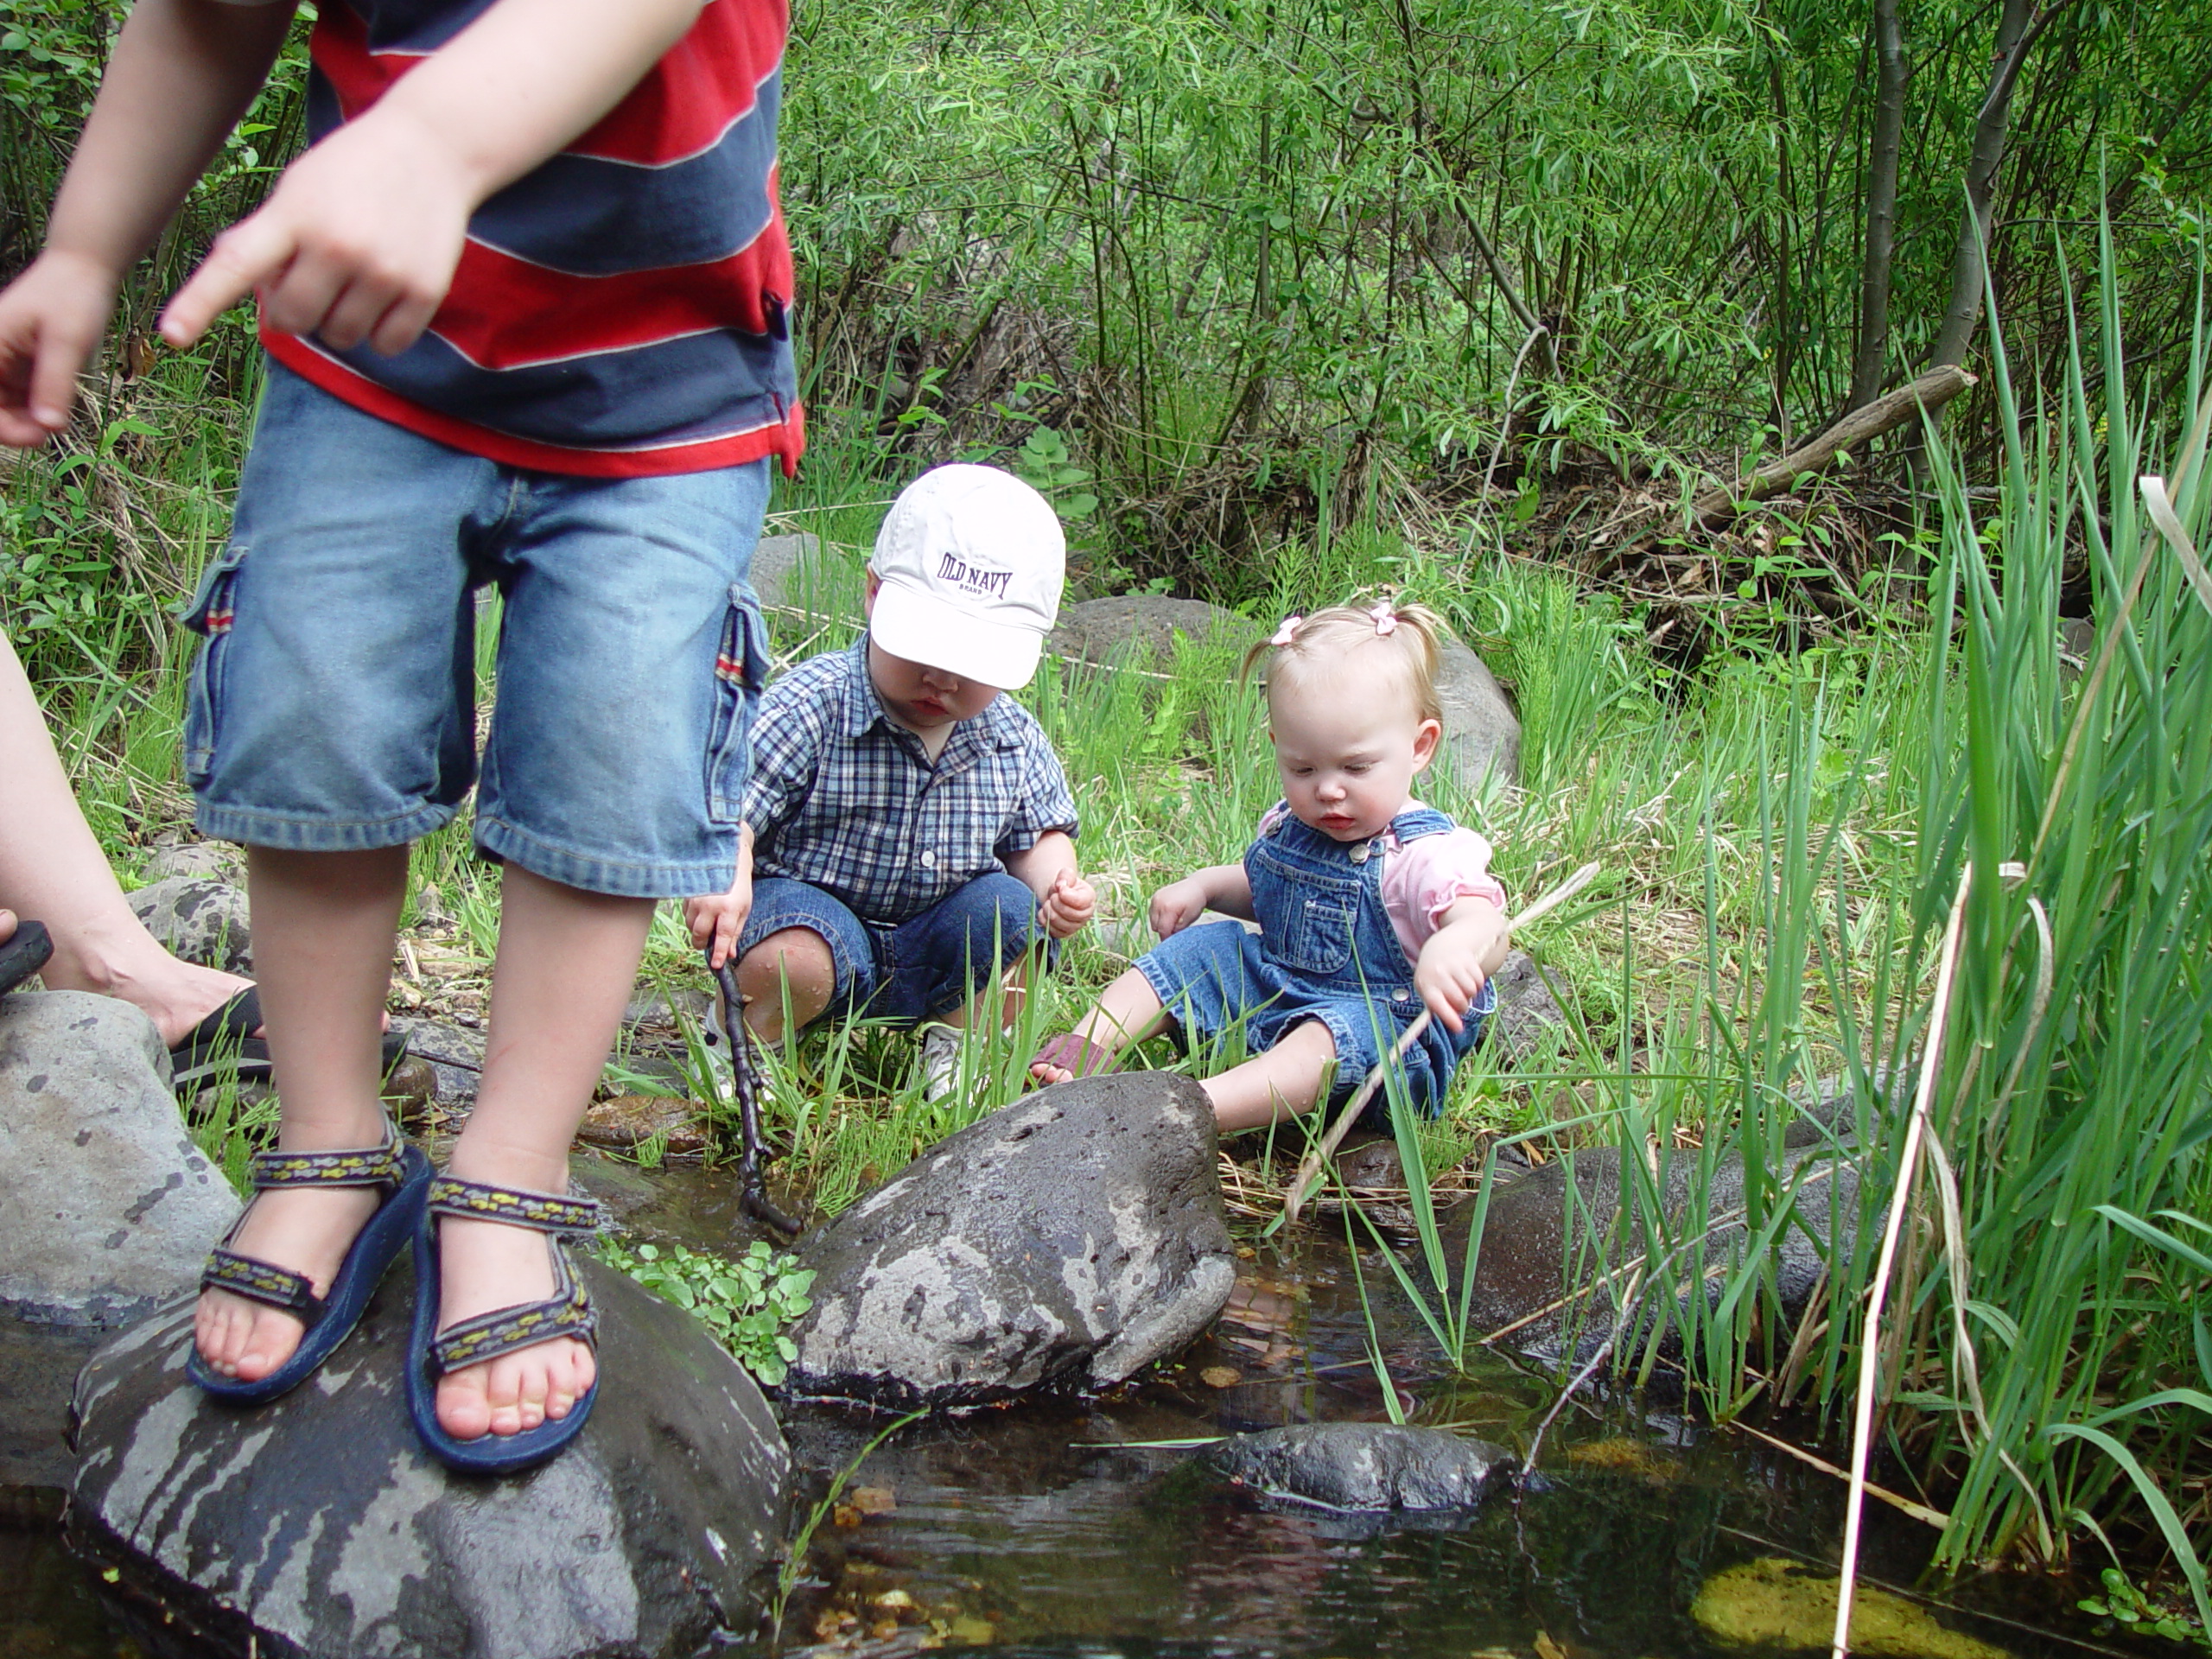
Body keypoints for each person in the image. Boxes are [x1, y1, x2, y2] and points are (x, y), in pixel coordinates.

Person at [0, 0, 801, 1471]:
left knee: (614, 748)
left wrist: (433, 141)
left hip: (666, 389)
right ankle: (330, 1140)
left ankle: (508, 1171)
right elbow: (202, 19)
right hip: (367, 360)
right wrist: (83, 251)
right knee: (312, 699)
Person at [687, 465, 1096, 1096]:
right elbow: (734, 809)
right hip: (813, 924)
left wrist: (1058, 884)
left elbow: (1035, 834)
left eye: (973, 661)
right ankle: (746, 1037)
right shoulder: (812, 705)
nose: (942, 679)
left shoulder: (1011, 736)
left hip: (938, 941)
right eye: (922, 646)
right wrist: (728, 875)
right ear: (874, 594)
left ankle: (963, 1046)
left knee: (1016, 917)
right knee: (790, 957)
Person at [1030, 600, 1511, 1132]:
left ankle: (1193, 1107)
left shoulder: (1425, 852)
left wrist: (1454, 947)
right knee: (1197, 952)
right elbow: (1270, 897)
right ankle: (1089, 1043)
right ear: (1278, 748)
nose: (1328, 789)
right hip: (1280, 987)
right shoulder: (1289, 824)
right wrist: (1207, 887)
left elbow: (1485, 922)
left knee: (1328, 1039)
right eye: (1302, 768)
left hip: (1382, 1025)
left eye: (1356, 767)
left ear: (1419, 747)